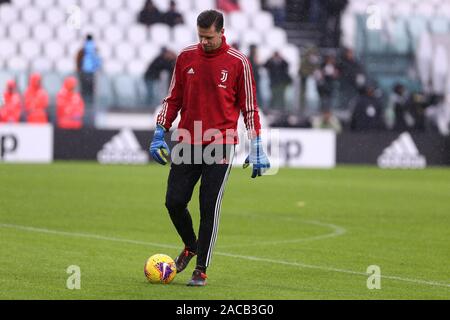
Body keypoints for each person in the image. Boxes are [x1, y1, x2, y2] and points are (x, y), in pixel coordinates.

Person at [149, 10, 270, 286]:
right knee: (174, 202)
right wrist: (160, 130)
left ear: (221, 32)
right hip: (187, 142)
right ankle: (190, 245)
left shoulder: (239, 62)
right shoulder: (185, 57)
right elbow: (172, 99)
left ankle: (200, 269)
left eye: (209, 37)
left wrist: (257, 143)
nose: (203, 42)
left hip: (220, 143)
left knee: (208, 206)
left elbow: (249, 108)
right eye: (200, 36)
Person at [76, 34, 101, 121]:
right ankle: (91, 115)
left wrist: (79, 70)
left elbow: (78, 61)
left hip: (83, 74)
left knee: (83, 94)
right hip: (92, 75)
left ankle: (82, 113)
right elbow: (98, 62)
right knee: (91, 95)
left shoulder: (82, 50)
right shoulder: (95, 49)